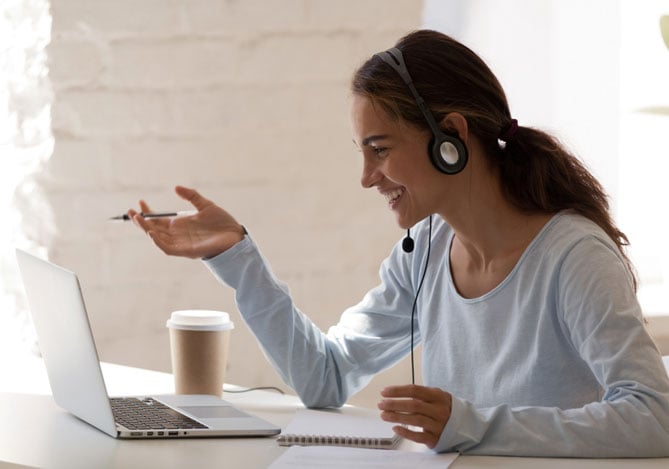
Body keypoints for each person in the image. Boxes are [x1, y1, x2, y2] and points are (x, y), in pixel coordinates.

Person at [129, 30, 669, 457]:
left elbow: (653, 417)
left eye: (380, 150)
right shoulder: (427, 249)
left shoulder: (573, 258)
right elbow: (326, 378)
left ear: (450, 138)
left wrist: (471, 424)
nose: (367, 177)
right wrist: (236, 256)